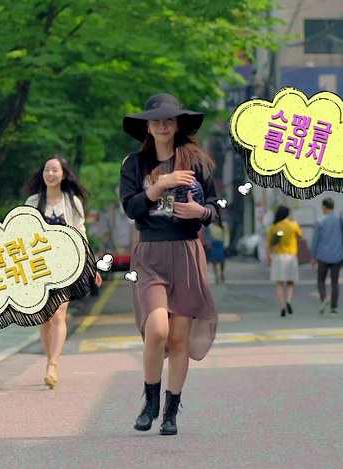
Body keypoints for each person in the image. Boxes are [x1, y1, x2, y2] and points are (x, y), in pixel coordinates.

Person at [120, 92, 220, 436]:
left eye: (168, 120)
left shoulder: (196, 162)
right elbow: (130, 208)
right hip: (150, 254)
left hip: (187, 253)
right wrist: (159, 185)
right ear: (147, 127)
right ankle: (150, 400)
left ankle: (170, 412)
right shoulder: (134, 164)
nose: (162, 126)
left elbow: (216, 207)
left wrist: (200, 211)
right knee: (157, 330)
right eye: (156, 121)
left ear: (177, 125)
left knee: (178, 338)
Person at [24, 155, 102, 390]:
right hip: (38, 267)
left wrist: (91, 265)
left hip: (65, 264)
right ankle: (50, 358)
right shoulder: (32, 202)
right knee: (44, 317)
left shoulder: (73, 202)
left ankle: (53, 365)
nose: (50, 174)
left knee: (58, 314)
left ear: (64, 175)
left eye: (55, 170)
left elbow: (81, 234)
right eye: (47, 170)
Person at [309, 197, 343, 316]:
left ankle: (324, 297)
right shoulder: (341, 220)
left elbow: (315, 240)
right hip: (337, 255)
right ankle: (334, 308)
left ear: (324, 207)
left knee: (320, 280)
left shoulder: (319, 221)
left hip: (322, 255)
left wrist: (313, 256)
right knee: (335, 282)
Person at [267, 205, 303, 317]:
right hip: (291, 256)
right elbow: (300, 236)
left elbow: (270, 243)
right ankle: (288, 301)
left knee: (279, 283)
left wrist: (269, 256)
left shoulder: (274, 226)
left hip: (278, 257)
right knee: (290, 282)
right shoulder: (294, 225)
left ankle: (282, 307)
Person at [206, 218, 230, 284]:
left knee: (222, 260)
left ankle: (222, 273)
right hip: (213, 244)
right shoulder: (210, 226)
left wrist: (226, 244)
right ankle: (216, 276)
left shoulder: (224, 225)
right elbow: (208, 235)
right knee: (214, 261)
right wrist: (209, 244)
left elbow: (226, 235)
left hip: (221, 244)